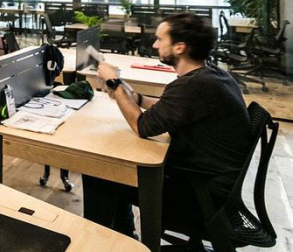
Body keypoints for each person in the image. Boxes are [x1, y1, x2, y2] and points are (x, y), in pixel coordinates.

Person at [83, 12, 252, 236]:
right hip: (213, 183)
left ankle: (100, 244)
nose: (154, 45)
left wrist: (114, 84)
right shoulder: (212, 74)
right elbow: (171, 108)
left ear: (179, 47)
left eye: (160, 39)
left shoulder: (193, 86)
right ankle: (124, 235)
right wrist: (136, 98)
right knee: (111, 166)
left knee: (98, 171)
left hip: (200, 196)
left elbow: (142, 126)